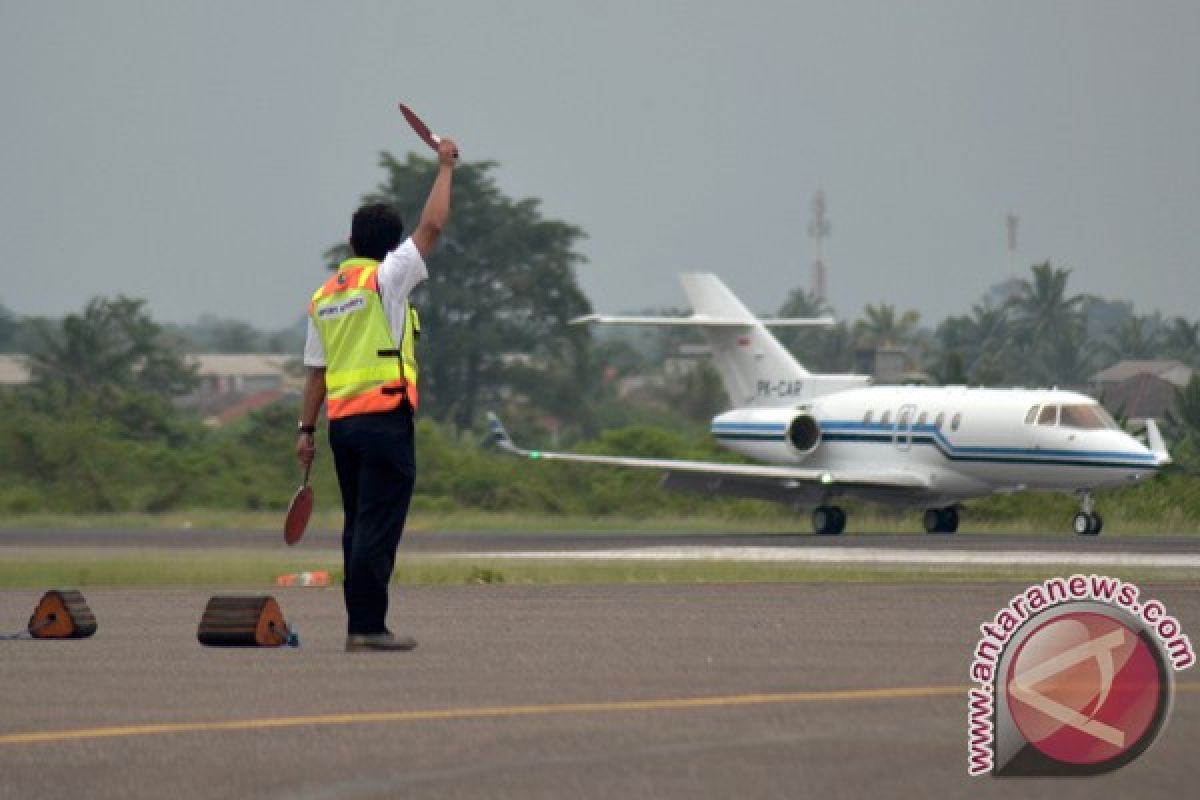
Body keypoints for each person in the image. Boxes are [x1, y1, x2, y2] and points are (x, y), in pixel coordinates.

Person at [296, 136, 458, 652]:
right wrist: (446, 167)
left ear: (349, 241)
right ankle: (368, 629)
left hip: (343, 428)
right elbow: (431, 227)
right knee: (377, 527)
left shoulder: (325, 296)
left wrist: (305, 431)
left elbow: (315, 374)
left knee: (356, 526)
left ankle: (359, 626)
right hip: (385, 421)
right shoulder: (387, 280)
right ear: (392, 248)